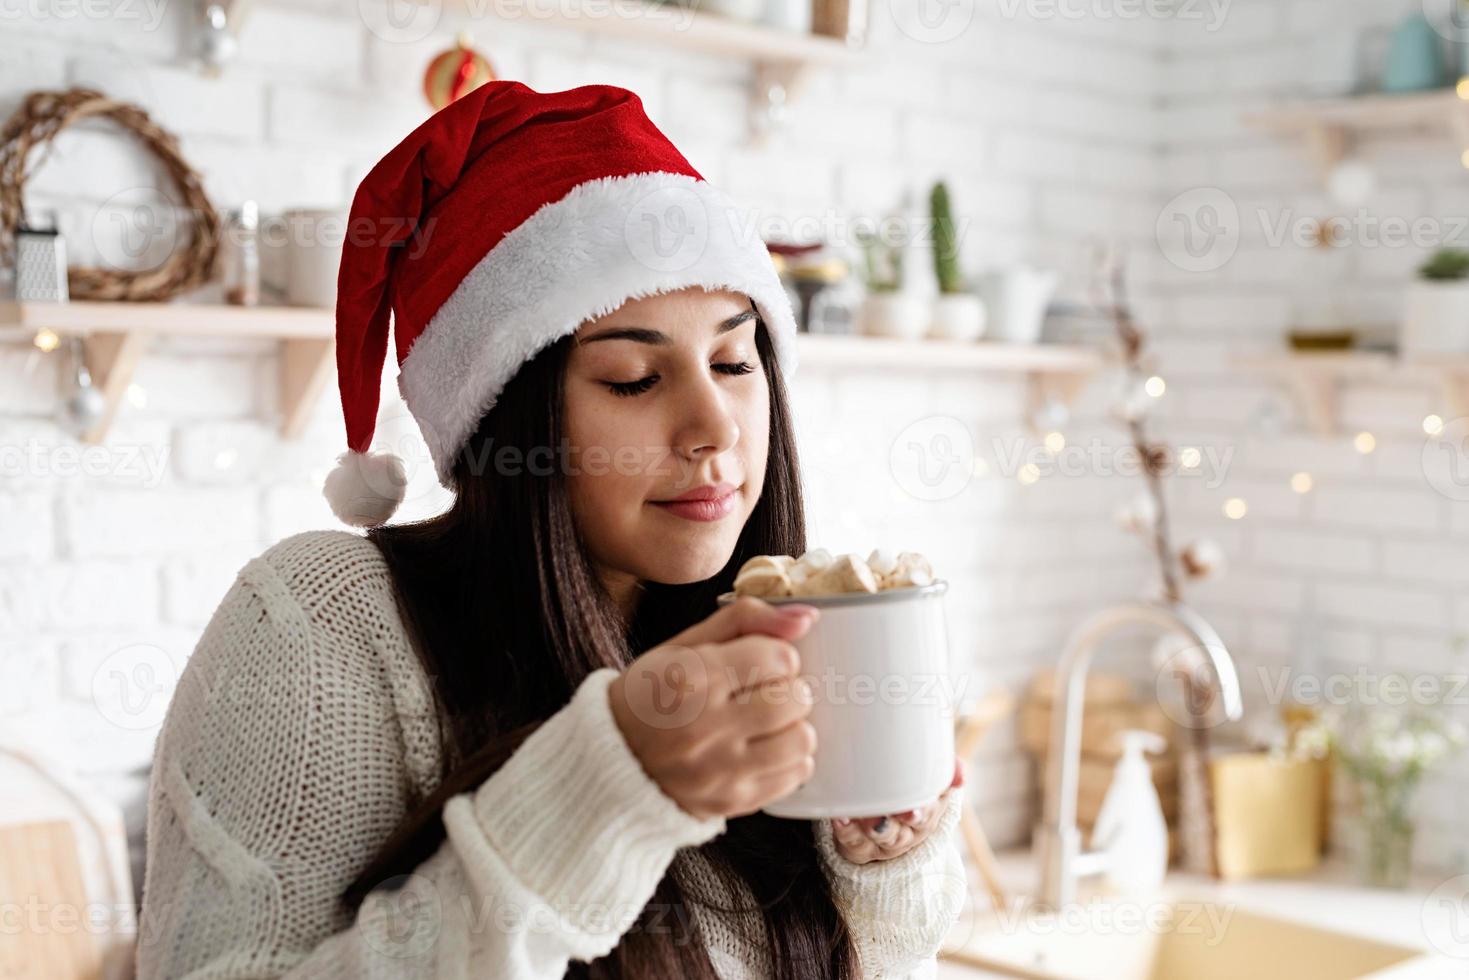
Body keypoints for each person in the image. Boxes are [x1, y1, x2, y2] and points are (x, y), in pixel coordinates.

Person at [136, 81, 967, 979]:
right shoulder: (319, 624)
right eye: (631, 380)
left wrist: (880, 862)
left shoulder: (755, 635)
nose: (715, 428)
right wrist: (608, 789)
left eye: (734, 360)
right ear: (509, 420)